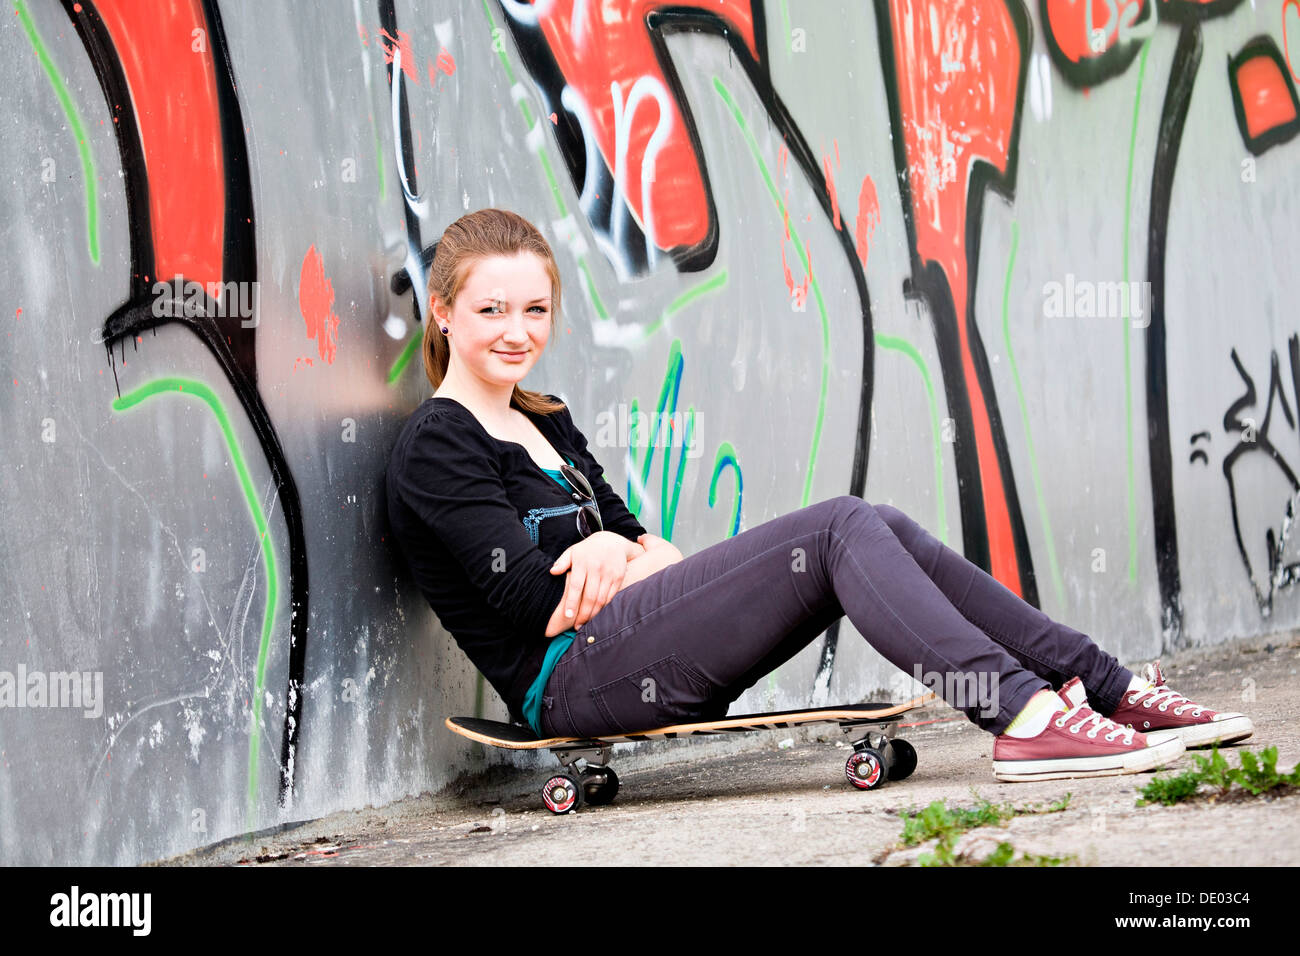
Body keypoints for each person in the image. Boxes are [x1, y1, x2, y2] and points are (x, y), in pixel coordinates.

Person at [385, 208, 1254, 783]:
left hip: (629, 644)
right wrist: (617, 551)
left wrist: (617, 549)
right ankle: (1022, 714)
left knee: (880, 523)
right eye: (492, 309)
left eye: (535, 310)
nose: (517, 331)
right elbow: (537, 603)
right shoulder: (439, 443)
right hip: (571, 684)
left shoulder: (547, 418)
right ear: (444, 313)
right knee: (840, 524)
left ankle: (1099, 686)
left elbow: (653, 547)